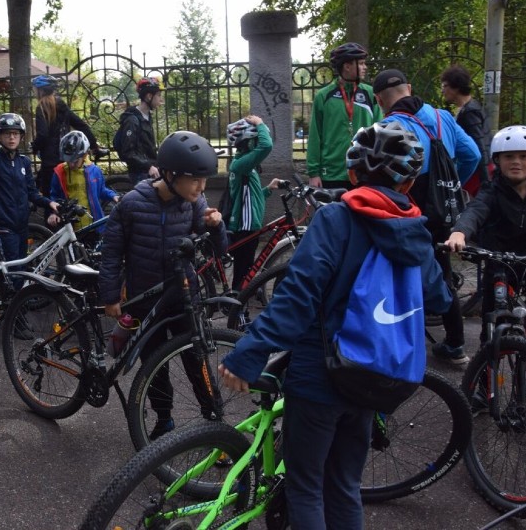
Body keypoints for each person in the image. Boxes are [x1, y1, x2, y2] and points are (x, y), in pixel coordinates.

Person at [219, 121, 452, 530]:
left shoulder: (336, 219)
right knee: (343, 485)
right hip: (376, 376)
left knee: (306, 487)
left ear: (352, 174)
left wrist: (249, 353)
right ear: (411, 181)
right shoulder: (415, 228)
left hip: (321, 374)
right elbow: (439, 298)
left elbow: (298, 294)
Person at [99, 130, 229, 439]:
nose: (202, 187)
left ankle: (216, 421)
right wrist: (110, 295)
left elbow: (220, 250)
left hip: (185, 295)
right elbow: (111, 253)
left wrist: (216, 226)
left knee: (196, 358)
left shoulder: (195, 204)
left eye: (205, 179)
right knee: (154, 364)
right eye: (195, 179)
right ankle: (164, 418)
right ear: (170, 175)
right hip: (146, 298)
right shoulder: (131, 204)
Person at [374, 68, 481, 364]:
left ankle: (402, 346)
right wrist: (452, 183)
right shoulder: (442, 117)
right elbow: (472, 154)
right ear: (409, 87)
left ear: (380, 99)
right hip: (446, 208)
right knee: (442, 272)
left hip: (411, 209)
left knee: (403, 271)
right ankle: (456, 344)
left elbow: (382, 174)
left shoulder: (388, 125)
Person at [445, 125, 526, 324]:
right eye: (509, 156)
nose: (516, 162)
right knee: (491, 323)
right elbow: (475, 211)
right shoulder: (491, 191)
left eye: (523, 156)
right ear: (498, 160)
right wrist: (459, 233)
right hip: (501, 264)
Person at [0, 113, 58, 281]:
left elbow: (32, 192)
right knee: (13, 271)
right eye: (7, 133)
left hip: (22, 224)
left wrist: (49, 203)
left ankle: (15, 301)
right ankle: (13, 304)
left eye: (15, 134)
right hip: (4, 226)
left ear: (21, 136)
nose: (11, 137)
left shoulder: (24, 162)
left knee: (22, 268)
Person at [307, 42, 382, 190]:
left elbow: (380, 131)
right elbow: (315, 136)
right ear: (347, 66)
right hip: (332, 173)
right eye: (360, 63)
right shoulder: (324, 96)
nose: (365, 67)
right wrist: (313, 173)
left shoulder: (370, 94)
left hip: (364, 171)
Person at [224, 115, 281, 291]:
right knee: (242, 270)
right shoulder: (240, 165)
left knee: (246, 267)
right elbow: (267, 146)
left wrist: (268, 189)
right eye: (254, 140)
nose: (257, 143)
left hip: (249, 225)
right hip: (244, 227)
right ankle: (237, 307)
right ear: (247, 142)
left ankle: (242, 297)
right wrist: (260, 124)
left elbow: (251, 197)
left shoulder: (246, 167)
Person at [31, 75, 101, 195]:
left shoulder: (42, 107)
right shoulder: (61, 106)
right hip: (66, 156)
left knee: (49, 197)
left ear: (40, 90)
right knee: (64, 194)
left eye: (35, 90)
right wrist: (94, 146)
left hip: (50, 159)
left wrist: (34, 146)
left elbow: (42, 135)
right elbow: (81, 125)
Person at [47, 131, 118, 229]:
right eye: (68, 161)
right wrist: (54, 213)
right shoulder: (59, 172)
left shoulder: (94, 170)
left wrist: (114, 196)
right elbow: (54, 196)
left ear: (84, 155)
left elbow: (101, 190)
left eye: (75, 161)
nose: (71, 165)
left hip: (93, 223)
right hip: (70, 226)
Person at [440, 64, 492, 196]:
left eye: (445, 86)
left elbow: (480, 145)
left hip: (477, 172)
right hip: (478, 169)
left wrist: (486, 181)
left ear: (456, 87)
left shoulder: (470, 112)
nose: (442, 91)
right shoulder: (470, 107)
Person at [118, 77, 164, 185]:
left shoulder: (146, 116)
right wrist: (148, 166)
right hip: (140, 173)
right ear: (149, 96)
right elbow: (128, 152)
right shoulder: (132, 120)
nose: (160, 100)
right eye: (158, 95)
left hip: (151, 171)